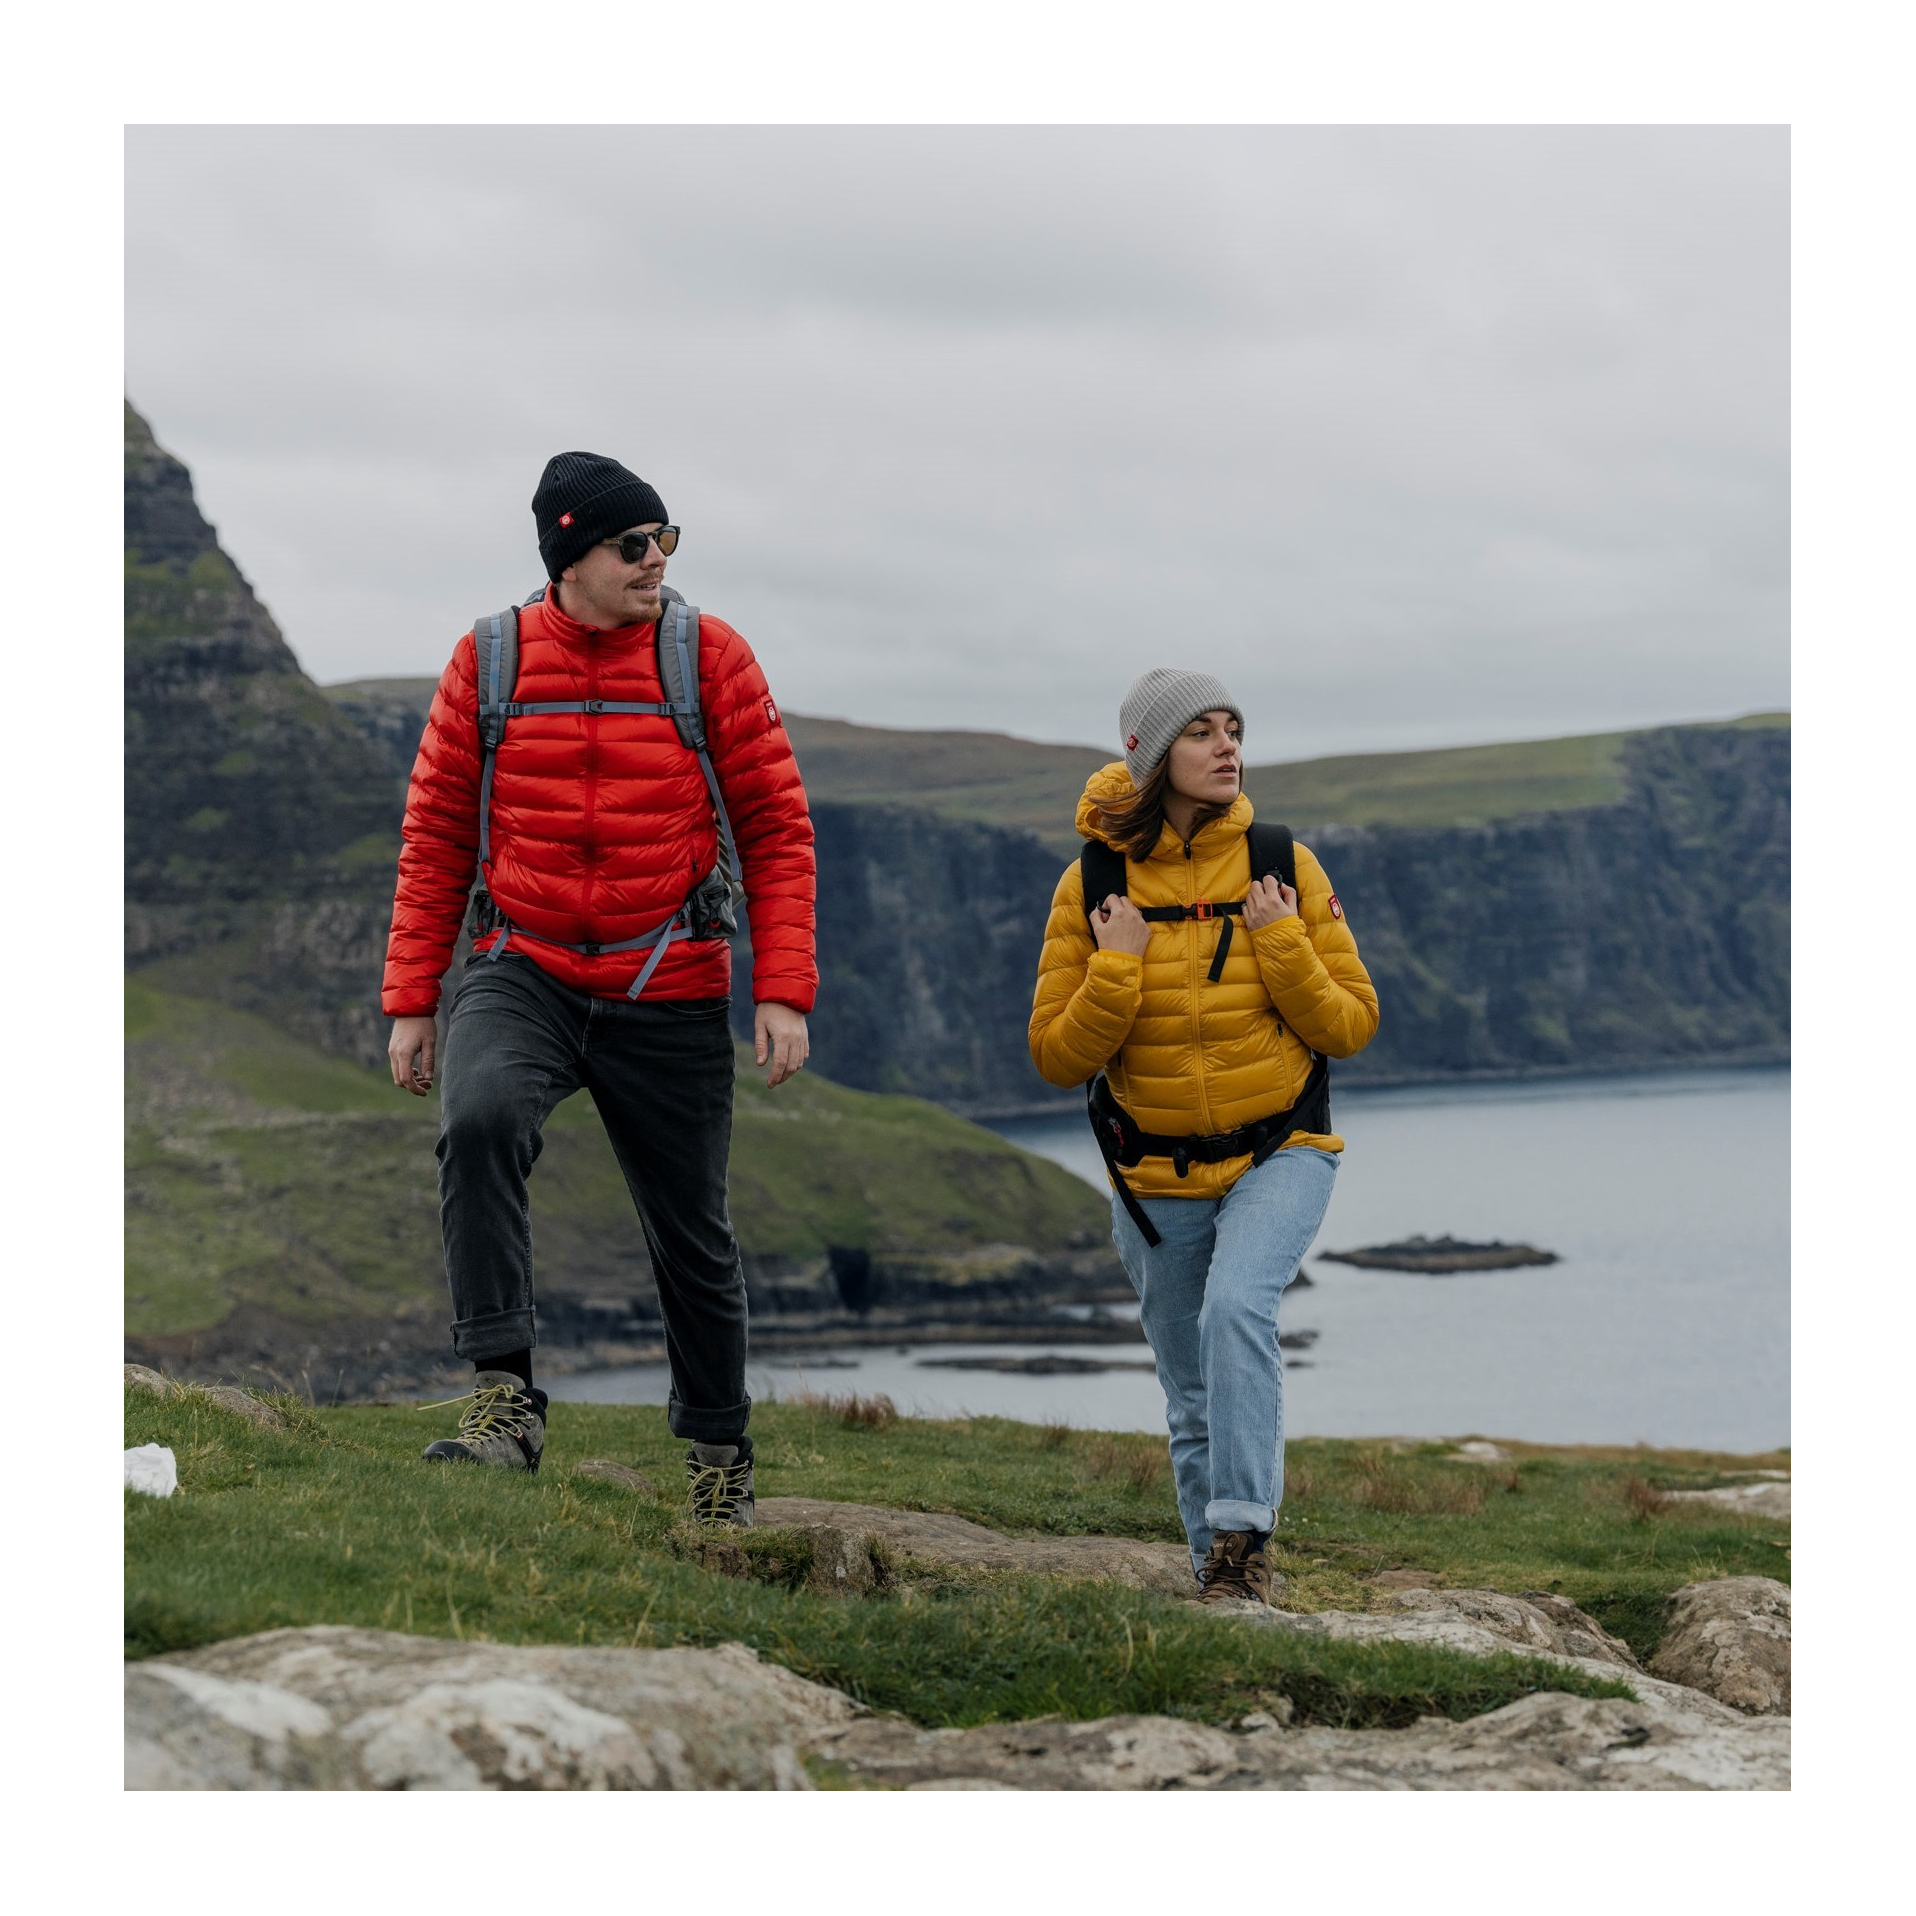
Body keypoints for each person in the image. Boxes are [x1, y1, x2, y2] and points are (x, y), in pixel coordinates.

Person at [383, 451, 817, 1526]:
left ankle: (718, 1454)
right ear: (568, 555)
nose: (656, 561)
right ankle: (504, 1399)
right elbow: (435, 832)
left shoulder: (705, 653)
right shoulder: (487, 659)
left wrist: (783, 989)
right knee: (478, 1121)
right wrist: (412, 997)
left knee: (690, 1230)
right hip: (521, 966)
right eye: (634, 544)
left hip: (668, 975)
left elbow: (774, 824)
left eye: (668, 540)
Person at [1028, 669, 1378, 1603]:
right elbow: (1057, 1057)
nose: (1227, 747)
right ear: (1151, 758)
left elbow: (1350, 1024)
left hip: (1283, 1151)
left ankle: (1243, 1542)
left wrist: (1282, 943)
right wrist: (1116, 970)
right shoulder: (1091, 882)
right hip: (1154, 1175)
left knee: (1236, 1311)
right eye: (1202, 733)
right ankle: (1218, 1584)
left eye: (1234, 729)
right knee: (1190, 1398)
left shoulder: (1281, 862)